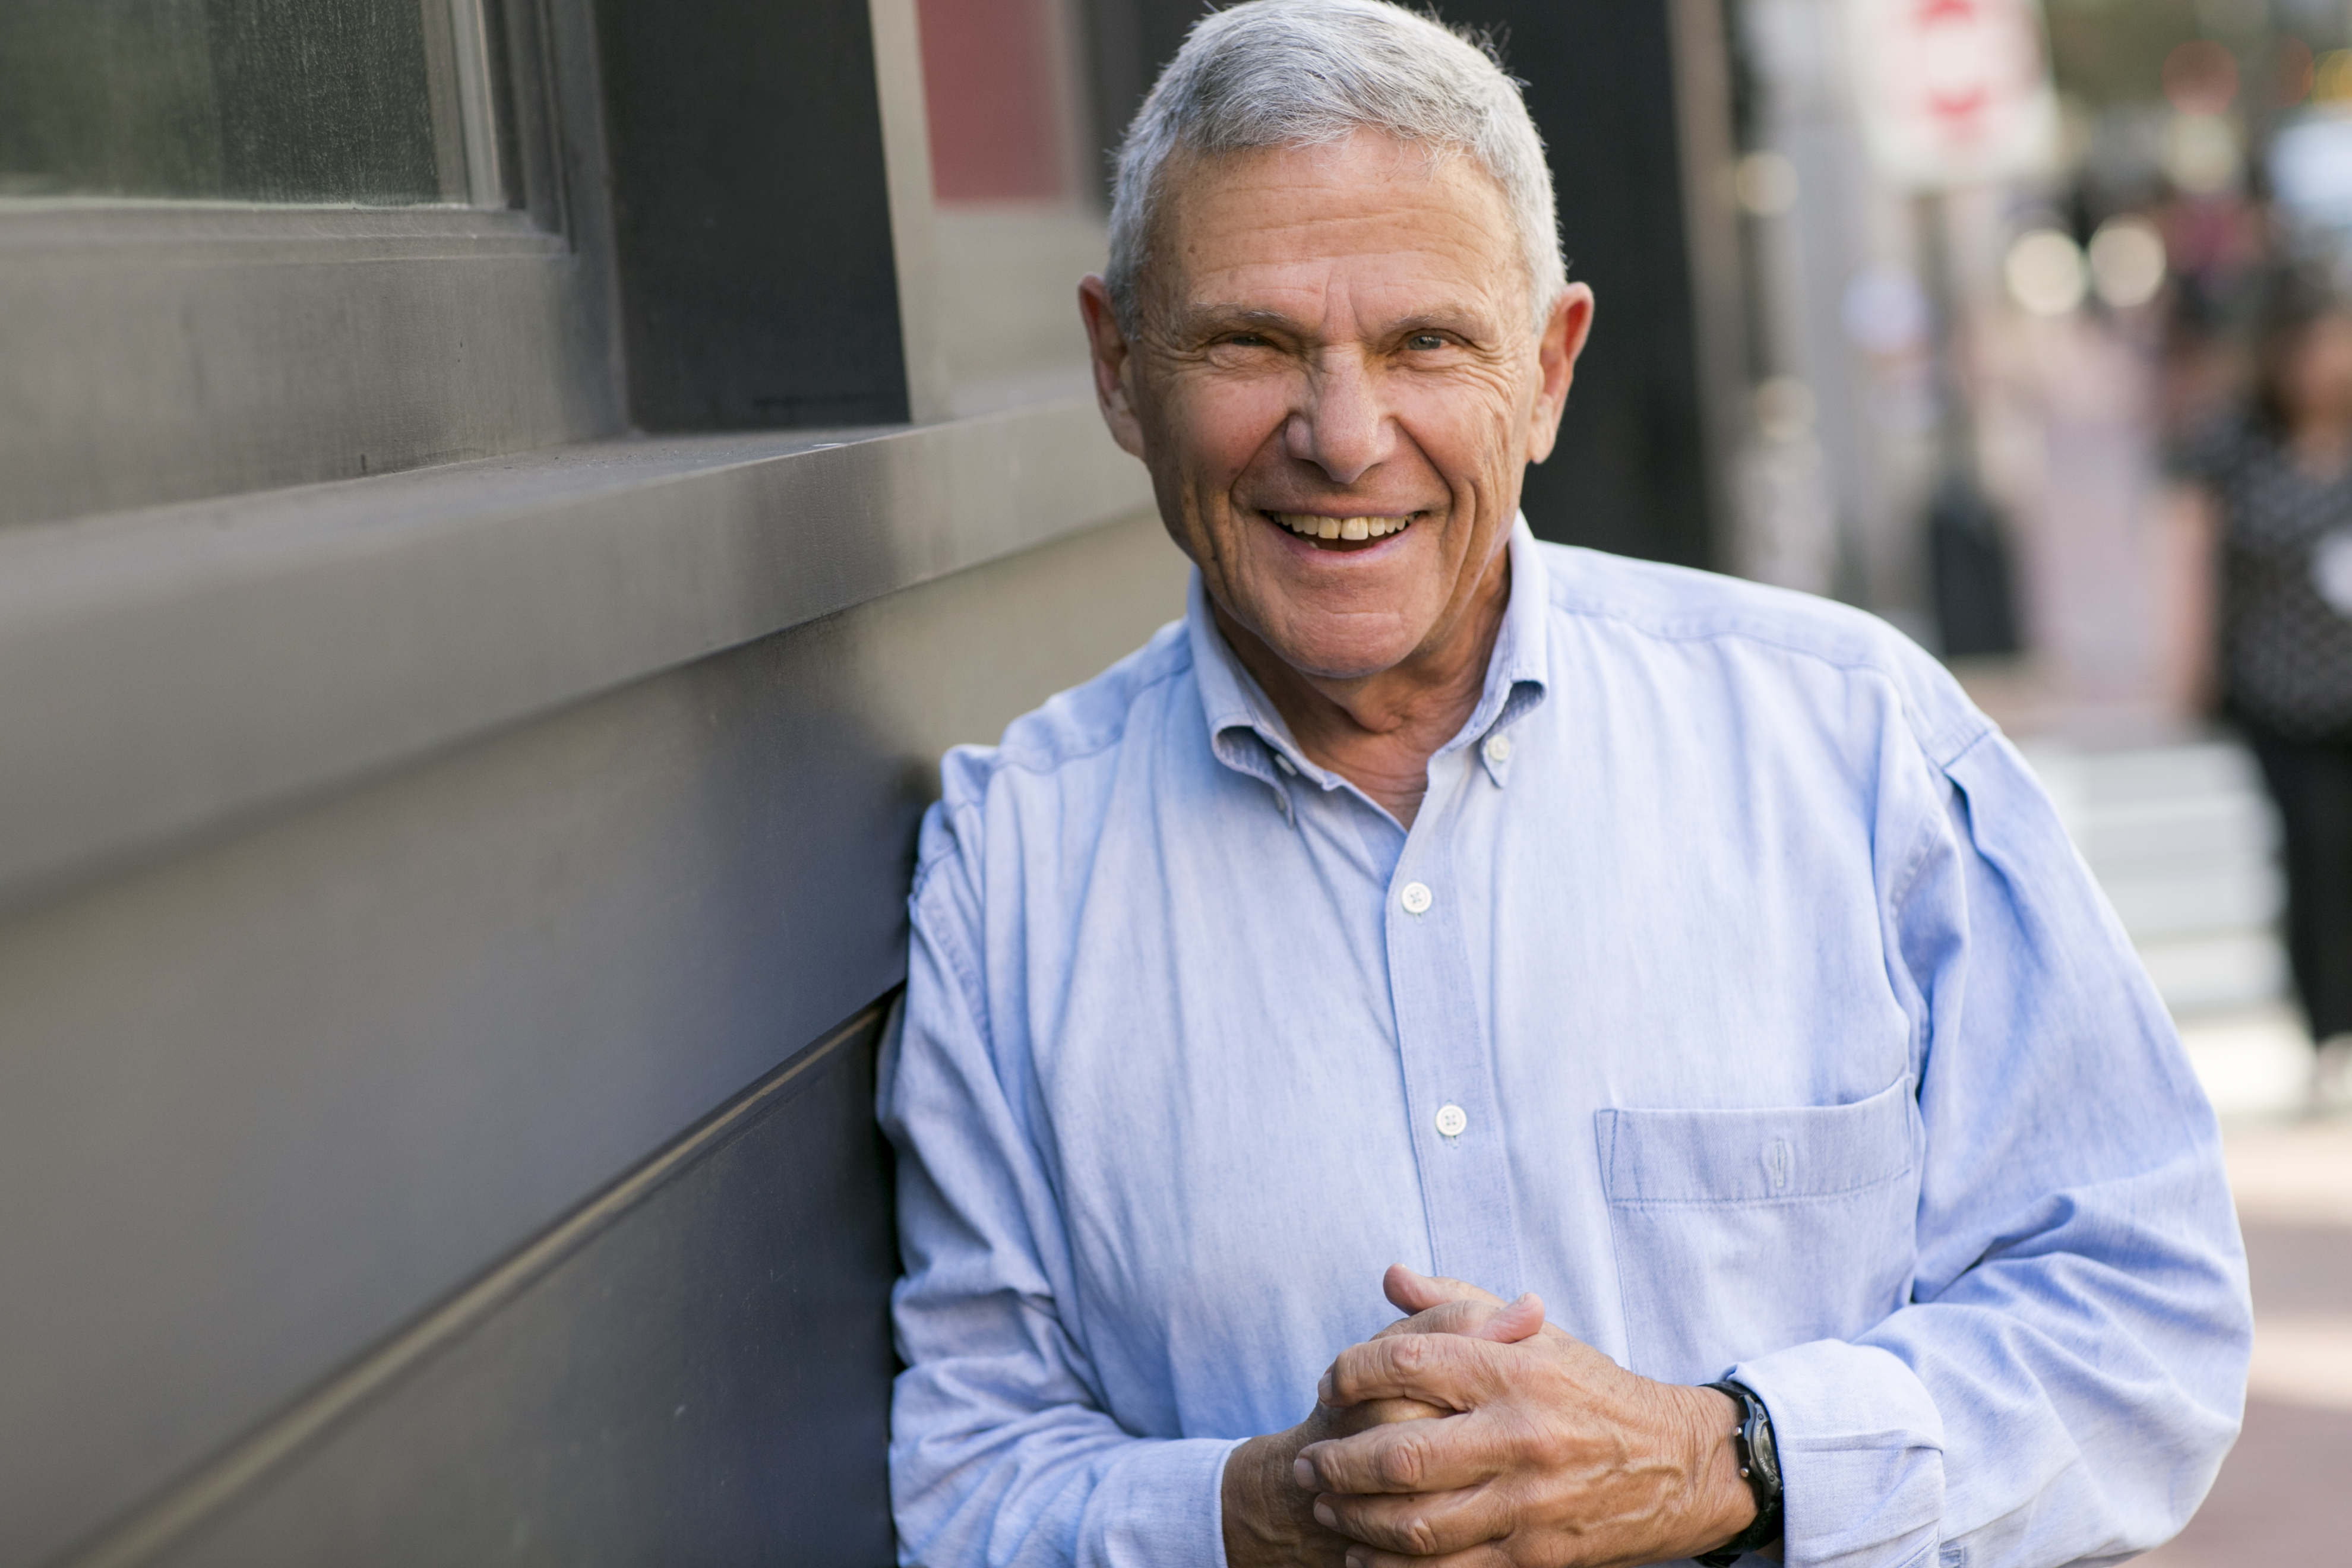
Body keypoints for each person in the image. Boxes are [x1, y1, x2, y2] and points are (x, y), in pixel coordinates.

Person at [878, 4, 2251, 1564]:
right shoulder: (1013, 871)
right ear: (1122, 371)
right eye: (1251, 343)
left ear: (1547, 369)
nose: (1343, 435)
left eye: (1426, 345)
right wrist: (1261, 1514)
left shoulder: (1857, 750)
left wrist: (1722, 1455)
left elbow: (2144, 1318)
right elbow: (971, 1478)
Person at [2182, 277, 2352, 1112]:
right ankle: (2327, 1031)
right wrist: (2188, 667)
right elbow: (2190, 547)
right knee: (2313, 851)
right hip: (2278, 690)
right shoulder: (2238, 447)